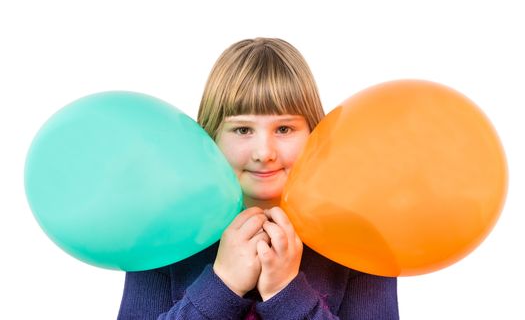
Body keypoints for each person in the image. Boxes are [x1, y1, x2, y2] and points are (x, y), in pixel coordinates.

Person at [117, 38, 399, 319]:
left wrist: (286, 292)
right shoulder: (163, 236)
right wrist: (222, 285)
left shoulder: (359, 242)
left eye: (285, 129)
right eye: (242, 130)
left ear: (315, 135)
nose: (264, 153)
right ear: (210, 138)